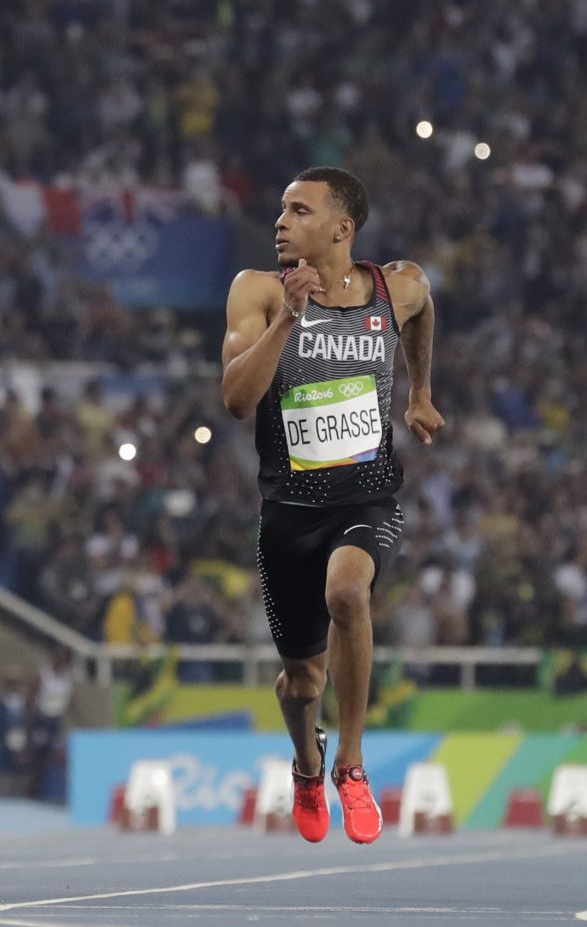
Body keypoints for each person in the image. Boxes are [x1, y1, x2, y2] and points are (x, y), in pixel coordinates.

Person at [220, 166, 444, 845]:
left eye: (299, 210)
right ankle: (308, 762)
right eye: (281, 210)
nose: (281, 222)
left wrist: (419, 391)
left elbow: (424, 304)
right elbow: (235, 399)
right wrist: (291, 315)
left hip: (366, 496)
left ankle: (350, 761)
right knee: (300, 681)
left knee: (350, 592)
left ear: (342, 228)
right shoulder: (256, 291)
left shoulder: (392, 286)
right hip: (287, 511)